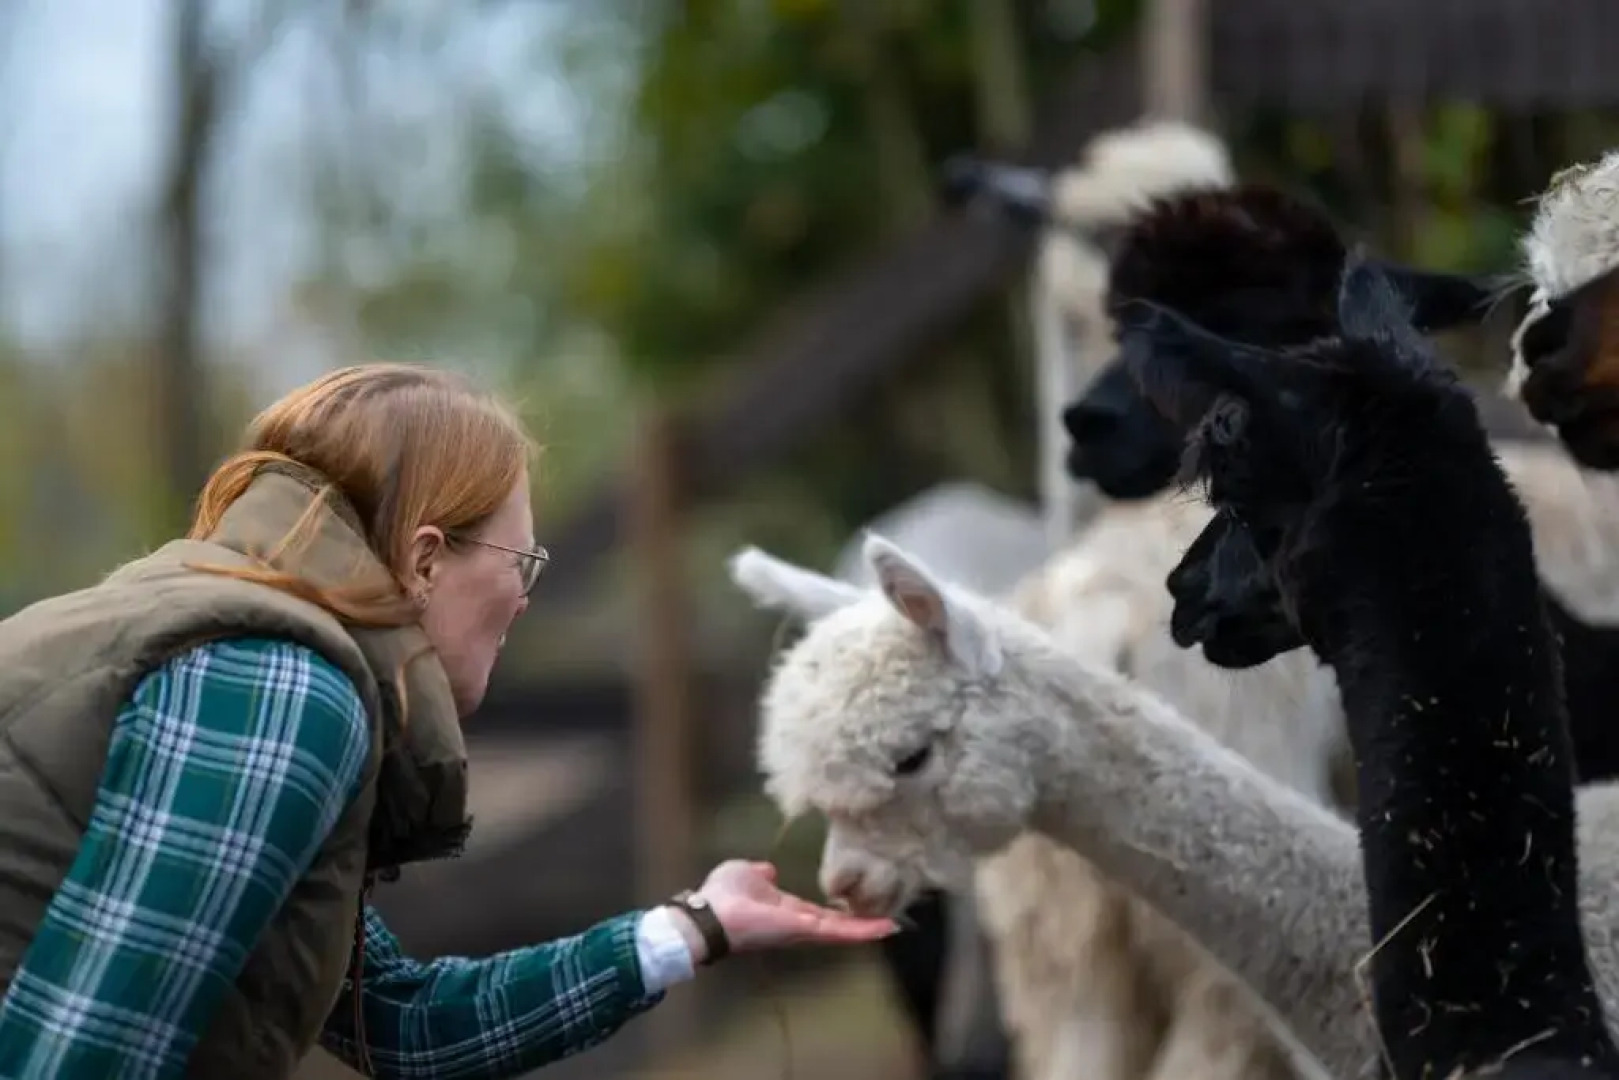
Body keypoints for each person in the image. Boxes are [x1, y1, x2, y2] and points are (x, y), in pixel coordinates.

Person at [0, 363, 897, 1079]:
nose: (523, 599)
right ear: (426, 559)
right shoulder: (280, 690)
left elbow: (403, 1025)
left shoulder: (248, 649)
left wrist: (697, 926)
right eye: (521, 560)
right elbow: (88, 1056)